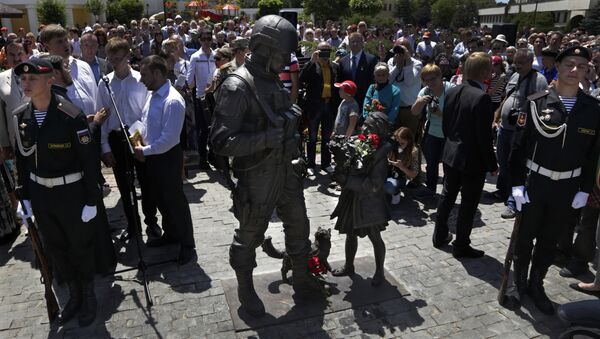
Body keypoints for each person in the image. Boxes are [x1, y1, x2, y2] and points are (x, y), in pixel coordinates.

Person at [210, 15, 323, 317]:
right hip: (258, 174)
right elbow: (220, 142)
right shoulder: (237, 86)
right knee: (250, 232)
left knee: (299, 224)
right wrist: (264, 138)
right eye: (283, 54)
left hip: (287, 169)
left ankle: (301, 276)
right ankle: (245, 286)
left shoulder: (272, 79)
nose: (287, 61)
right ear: (265, 48)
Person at [503, 46, 600, 315]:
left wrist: (584, 188)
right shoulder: (537, 102)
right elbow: (518, 148)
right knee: (525, 238)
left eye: (581, 66)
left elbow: (593, 155)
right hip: (536, 183)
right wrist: (517, 185)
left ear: (587, 71)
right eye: (569, 64)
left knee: (550, 240)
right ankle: (519, 282)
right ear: (557, 66)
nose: (574, 70)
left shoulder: (593, 109)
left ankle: (537, 284)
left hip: (567, 188)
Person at [14, 58, 99, 327]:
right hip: (41, 195)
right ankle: (73, 295)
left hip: (71, 193)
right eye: (23, 79)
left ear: (49, 80)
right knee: (56, 247)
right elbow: (22, 160)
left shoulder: (70, 115)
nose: (26, 84)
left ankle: (88, 294)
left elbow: (88, 160)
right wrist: (23, 197)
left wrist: (91, 199)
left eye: (32, 79)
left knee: (79, 246)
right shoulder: (21, 117)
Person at [432, 52, 498, 258]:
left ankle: (439, 235)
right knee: (468, 203)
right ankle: (461, 244)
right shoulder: (482, 98)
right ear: (485, 72)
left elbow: (446, 124)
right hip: (472, 160)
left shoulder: (452, 91)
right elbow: (484, 137)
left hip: (451, 153)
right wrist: (492, 164)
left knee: (447, 196)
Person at [134, 55, 196, 266]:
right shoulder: (152, 95)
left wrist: (146, 150)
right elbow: (147, 125)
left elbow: (169, 139)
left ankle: (187, 244)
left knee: (175, 201)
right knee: (161, 199)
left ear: (158, 74)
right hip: (152, 156)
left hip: (167, 157)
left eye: (144, 75)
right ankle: (171, 234)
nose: (141, 80)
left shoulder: (173, 100)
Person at [96, 38, 158, 241]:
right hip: (115, 137)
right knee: (124, 185)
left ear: (128, 57)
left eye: (119, 59)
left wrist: (142, 143)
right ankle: (133, 225)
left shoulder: (140, 79)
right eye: (111, 59)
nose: (115, 63)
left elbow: (146, 114)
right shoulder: (104, 83)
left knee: (147, 182)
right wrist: (104, 146)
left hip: (136, 134)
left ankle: (151, 222)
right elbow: (103, 117)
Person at [330, 112, 393, 286]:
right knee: (350, 233)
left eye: (369, 127)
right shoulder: (360, 143)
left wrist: (347, 180)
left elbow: (374, 185)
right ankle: (349, 265)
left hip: (369, 203)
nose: (364, 128)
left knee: (375, 236)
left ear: (377, 132)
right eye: (364, 124)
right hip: (352, 198)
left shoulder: (379, 157)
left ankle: (379, 271)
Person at [494, 49, 548, 220]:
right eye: (515, 62)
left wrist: (524, 109)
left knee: (516, 167)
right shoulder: (514, 76)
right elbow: (507, 96)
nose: (517, 65)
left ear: (531, 61)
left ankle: (513, 202)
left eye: (521, 62)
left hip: (522, 133)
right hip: (504, 128)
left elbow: (542, 102)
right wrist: (497, 114)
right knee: (503, 162)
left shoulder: (538, 79)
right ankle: (503, 192)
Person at [411, 64, 454, 193]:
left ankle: (448, 191)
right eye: (426, 80)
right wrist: (419, 102)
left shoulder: (451, 90)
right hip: (431, 132)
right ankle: (430, 189)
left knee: (448, 165)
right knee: (431, 163)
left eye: (433, 78)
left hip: (449, 133)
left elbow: (459, 112)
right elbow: (414, 112)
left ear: (440, 77)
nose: (430, 82)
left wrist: (440, 114)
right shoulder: (425, 91)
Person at [299, 41, 339, 175]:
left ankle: (326, 163)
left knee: (327, 137)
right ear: (317, 51)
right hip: (315, 106)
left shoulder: (334, 66)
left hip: (329, 105)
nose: (325, 54)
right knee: (312, 137)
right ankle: (310, 164)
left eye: (327, 50)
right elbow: (302, 78)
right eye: (322, 50)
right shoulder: (312, 65)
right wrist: (311, 61)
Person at [187, 29, 216, 170]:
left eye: (208, 38)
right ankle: (202, 159)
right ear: (199, 40)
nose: (206, 41)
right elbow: (189, 79)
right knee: (203, 130)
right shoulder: (195, 57)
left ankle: (214, 156)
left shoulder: (216, 55)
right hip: (201, 96)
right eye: (203, 39)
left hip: (215, 96)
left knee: (215, 128)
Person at [336, 32, 377, 116]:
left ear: (362, 42)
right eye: (352, 41)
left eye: (358, 41)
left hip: (365, 101)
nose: (355, 44)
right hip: (347, 102)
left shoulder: (371, 60)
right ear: (349, 43)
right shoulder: (343, 61)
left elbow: (373, 81)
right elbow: (340, 81)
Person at [0, 40, 27, 158]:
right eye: (11, 54)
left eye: (20, 53)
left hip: (41, 137)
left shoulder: (39, 75)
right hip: (15, 141)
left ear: (26, 54)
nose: (16, 58)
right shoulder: (0, 79)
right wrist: (5, 145)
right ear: (6, 56)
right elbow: (0, 116)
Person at [389, 40, 423, 134]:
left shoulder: (417, 64)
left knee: (410, 138)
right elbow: (388, 80)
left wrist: (407, 62)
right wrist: (397, 66)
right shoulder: (392, 62)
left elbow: (409, 82)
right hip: (395, 107)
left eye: (402, 50)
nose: (399, 54)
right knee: (394, 136)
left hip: (410, 109)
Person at [385, 127, 420, 204]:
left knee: (389, 187)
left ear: (409, 141)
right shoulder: (391, 144)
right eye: (397, 142)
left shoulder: (413, 152)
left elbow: (414, 174)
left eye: (402, 143)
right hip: (386, 173)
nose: (399, 146)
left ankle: (396, 192)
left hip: (400, 177)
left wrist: (401, 167)